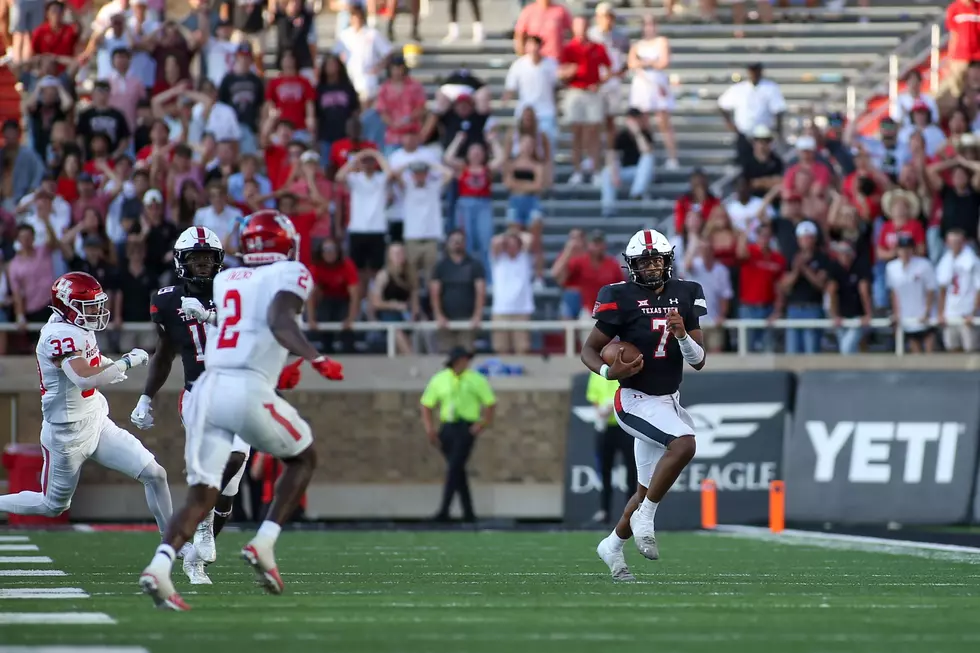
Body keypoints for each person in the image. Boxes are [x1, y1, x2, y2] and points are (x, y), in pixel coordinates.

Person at [139, 211, 344, 611]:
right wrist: (314, 357)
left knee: (207, 492)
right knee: (304, 458)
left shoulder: (230, 279)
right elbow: (279, 320)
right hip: (243, 387)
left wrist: (278, 369)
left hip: (211, 385)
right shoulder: (287, 274)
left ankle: (159, 567)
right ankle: (264, 544)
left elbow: (238, 330)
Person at [0, 272, 171, 530]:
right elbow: (83, 378)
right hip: (66, 435)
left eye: (97, 304)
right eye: (88, 306)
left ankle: (173, 544)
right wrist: (128, 361)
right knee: (53, 506)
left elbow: (92, 362)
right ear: (66, 307)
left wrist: (110, 367)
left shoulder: (78, 327)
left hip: (96, 421)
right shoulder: (57, 335)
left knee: (155, 474)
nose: (96, 311)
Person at [582, 228, 707, 581]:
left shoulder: (687, 292)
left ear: (667, 261)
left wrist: (682, 335)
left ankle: (612, 545)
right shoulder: (618, 297)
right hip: (634, 400)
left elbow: (697, 360)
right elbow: (588, 349)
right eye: (644, 261)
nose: (651, 267)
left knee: (644, 488)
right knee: (683, 443)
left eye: (656, 259)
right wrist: (609, 370)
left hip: (669, 400)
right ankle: (646, 516)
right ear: (631, 264)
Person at [129, 226, 249, 586]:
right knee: (230, 458)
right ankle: (205, 524)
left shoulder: (234, 292)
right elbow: (164, 353)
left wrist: (211, 317)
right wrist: (146, 397)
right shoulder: (166, 301)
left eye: (207, 259)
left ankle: (196, 554)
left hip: (238, 389)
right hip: (198, 391)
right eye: (195, 260)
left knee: (229, 492)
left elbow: (246, 333)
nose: (201, 266)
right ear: (182, 262)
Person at [419, 346, 496, 522]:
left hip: (465, 427)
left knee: (454, 467)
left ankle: (444, 510)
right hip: (447, 426)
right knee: (457, 470)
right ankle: (468, 512)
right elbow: (426, 404)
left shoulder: (476, 379)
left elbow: (490, 403)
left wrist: (483, 423)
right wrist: (430, 428)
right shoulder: (440, 380)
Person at [559, 16, 610, 185]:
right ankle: (577, 170)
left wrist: (600, 82)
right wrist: (569, 72)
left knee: (594, 132)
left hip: (592, 92)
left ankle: (595, 170)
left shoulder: (597, 47)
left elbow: (608, 68)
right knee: (577, 133)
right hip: (576, 91)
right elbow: (561, 72)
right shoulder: (568, 48)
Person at [586, 371, 637, 525]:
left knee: (632, 469)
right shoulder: (596, 373)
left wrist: (613, 407)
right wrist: (601, 410)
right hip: (605, 427)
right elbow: (593, 396)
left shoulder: (622, 370)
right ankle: (604, 510)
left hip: (625, 426)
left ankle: (632, 511)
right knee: (604, 469)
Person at [627, 14, 678, 168]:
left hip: (657, 83)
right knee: (643, 123)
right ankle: (648, 155)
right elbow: (631, 63)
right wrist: (648, 62)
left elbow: (663, 62)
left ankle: (672, 157)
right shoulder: (637, 45)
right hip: (642, 85)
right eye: (646, 24)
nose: (649, 28)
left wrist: (645, 62)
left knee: (663, 121)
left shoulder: (662, 41)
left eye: (652, 24)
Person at [718, 63, 786, 168]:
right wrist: (729, 123)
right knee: (744, 162)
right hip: (744, 134)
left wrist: (778, 130)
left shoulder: (770, 88)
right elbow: (722, 104)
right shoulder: (738, 88)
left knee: (764, 160)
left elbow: (778, 109)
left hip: (764, 135)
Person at [778, 221, 830, 355]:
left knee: (811, 351)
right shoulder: (791, 258)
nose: (806, 241)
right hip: (794, 308)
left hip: (813, 308)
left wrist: (805, 269)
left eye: (809, 237)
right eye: (803, 238)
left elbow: (821, 284)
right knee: (792, 351)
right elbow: (784, 285)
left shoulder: (822, 259)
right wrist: (796, 270)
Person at [886, 233, 937, 354]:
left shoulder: (924, 265)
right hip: (907, 316)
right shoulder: (891, 268)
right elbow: (894, 293)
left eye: (908, 248)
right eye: (902, 248)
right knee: (916, 354)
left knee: (930, 353)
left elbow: (931, 289)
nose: (905, 252)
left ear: (913, 250)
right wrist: (896, 312)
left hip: (925, 316)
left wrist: (927, 311)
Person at [601, 109, 655, 217]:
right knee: (607, 171)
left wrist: (637, 134)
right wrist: (614, 173)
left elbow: (646, 150)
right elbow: (612, 155)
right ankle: (608, 206)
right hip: (626, 172)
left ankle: (637, 193)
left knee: (648, 158)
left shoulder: (645, 134)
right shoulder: (622, 136)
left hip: (642, 173)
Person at [936, 228, 980, 352]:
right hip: (951, 311)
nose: (955, 245)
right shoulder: (945, 261)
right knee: (952, 347)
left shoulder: (973, 260)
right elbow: (942, 289)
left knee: (971, 348)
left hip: (967, 310)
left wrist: (974, 312)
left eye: (957, 241)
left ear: (963, 242)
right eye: (952, 242)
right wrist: (941, 312)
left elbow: (978, 288)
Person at [826, 241, 873, 355]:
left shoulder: (860, 266)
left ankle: (849, 371)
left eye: (846, 253)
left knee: (846, 348)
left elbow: (864, 291)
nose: (843, 256)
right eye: (841, 253)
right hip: (841, 315)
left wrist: (868, 314)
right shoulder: (834, 268)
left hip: (858, 316)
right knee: (848, 347)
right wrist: (834, 315)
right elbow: (831, 291)